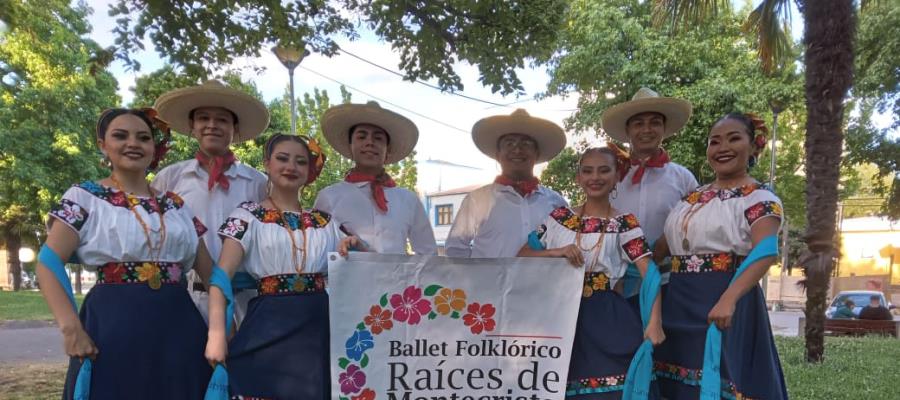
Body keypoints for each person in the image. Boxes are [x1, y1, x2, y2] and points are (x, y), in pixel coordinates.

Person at [37, 108, 213, 399]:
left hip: (180, 328)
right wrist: (71, 328)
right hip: (111, 324)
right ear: (103, 145)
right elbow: (47, 262)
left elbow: (213, 275)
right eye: (121, 135)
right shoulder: (84, 197)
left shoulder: (177, 206)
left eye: (143, 137)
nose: (133, 143)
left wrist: (221, 327)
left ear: (153, 148)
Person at [205, 134, 359, 399]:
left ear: (309, 171)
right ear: (266, 163)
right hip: (268, 326)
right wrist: (217, 334)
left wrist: (352, 247)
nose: (291, 166)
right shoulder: (246, 216)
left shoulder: (326, 223)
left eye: (300, 161)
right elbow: (220, 277)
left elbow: (355, 273)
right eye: (282, 158)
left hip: (317, 330)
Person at [653, 113, 787, 399]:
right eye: (715, 141)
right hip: (676, 301)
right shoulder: (692, 198)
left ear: (754, 146)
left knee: (720, 377)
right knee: (672, 379)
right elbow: (663, 247)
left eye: (734, 138)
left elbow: (765, 251)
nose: (722, 147)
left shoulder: (759, 198)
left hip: (724, 301)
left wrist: (728, 300)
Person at [518, 147, 664, 399]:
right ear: (578, 177)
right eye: (587, 170)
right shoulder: (558, 218)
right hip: (559, 315)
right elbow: (522, 256)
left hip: (605, 315)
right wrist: (554, 253)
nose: (594, 177)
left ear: (617, 176)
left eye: (604, 170)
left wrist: (654, 322)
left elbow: (649, 271)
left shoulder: (624, 224)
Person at [152, 80, 270, 324]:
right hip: (187, 298)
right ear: (192, 126)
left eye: (222, 120)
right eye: (203, 118)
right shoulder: (170, 179)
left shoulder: (257, 183)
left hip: (245, 299)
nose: (212, 125)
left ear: (234, 129)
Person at [601, 87, 698, 302]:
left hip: (668, 283)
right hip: (616, 284)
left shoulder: (683, 178)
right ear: (628, 130)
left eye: (654, 122)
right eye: (638, 123)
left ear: (664, 128)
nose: (647, 129)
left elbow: (695, 226)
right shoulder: (610, 177)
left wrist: (668, 240)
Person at [314, 101, 436, 255]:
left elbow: (428, 254)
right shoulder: (329, 197)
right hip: (348, 279)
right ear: (350, 145)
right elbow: (317, 250)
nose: (370, 142)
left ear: (388, 150)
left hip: (398, 279)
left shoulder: (408, 200)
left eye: (378, 138)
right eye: (361, 137)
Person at [446, 109, 568, 258]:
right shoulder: (477, 200)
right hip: (489, 282)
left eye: (526, 143)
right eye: (509, 143)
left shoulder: (555, 202)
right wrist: (476, 278)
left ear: (536, 154)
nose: (517, 150)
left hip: (543, 282)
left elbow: (567, 243)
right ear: (498, 155)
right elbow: (456, 249)